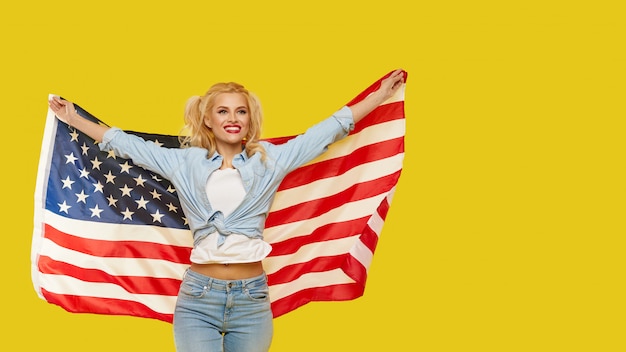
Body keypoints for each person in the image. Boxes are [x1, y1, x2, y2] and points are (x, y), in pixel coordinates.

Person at [48, 69, 406, 352]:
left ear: (250, 119)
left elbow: (329, 130)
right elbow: (124, 144)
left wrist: (380, 95)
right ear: (208, 120)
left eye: (241, 111)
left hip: (252, 299)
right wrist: (72, 118)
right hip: (198, 298)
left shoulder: (272, 160)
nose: (232, 118)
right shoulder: (183, 163)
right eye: (223, 111)